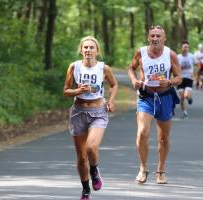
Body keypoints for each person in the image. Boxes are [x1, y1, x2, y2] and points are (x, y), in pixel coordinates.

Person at [63, 36, 118, 200]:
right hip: (78, 112)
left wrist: (112, 101)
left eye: (91, 47)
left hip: (98, 112)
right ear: (81, 50)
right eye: (85, 47)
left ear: (97, 50)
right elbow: (66, 90)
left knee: (91, 148)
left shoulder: (104, 68)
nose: (88, 50)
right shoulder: (74, 67)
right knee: (81, 157)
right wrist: (77, 91)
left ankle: (94, 170)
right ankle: (86, 190)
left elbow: (114, 85)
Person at [127, 25, 182, 184]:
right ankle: (143, 168)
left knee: (163, 138)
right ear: (148, 37)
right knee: (142, 132)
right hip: (146, 96)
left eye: (158, 36)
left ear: (164, 38)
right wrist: (134, 80)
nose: (155, 39)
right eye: (152, 36)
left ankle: (161, 170)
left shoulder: (170, 54)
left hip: (165, 97)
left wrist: (170, 81)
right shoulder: (141, 52)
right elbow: (131, 68)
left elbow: (179, 77)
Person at [177, 41, 196, 119]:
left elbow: (198, 65)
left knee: (186, 95)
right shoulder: (178, 57)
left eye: (187, 47)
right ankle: (185, 113)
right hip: (180, 78)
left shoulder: (192, 56)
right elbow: (174, 67)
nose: (186, 48)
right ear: (181, 48)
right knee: (181, 97)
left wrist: (194, 73)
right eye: (184, 47)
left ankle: (189, 98)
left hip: (189, 78)